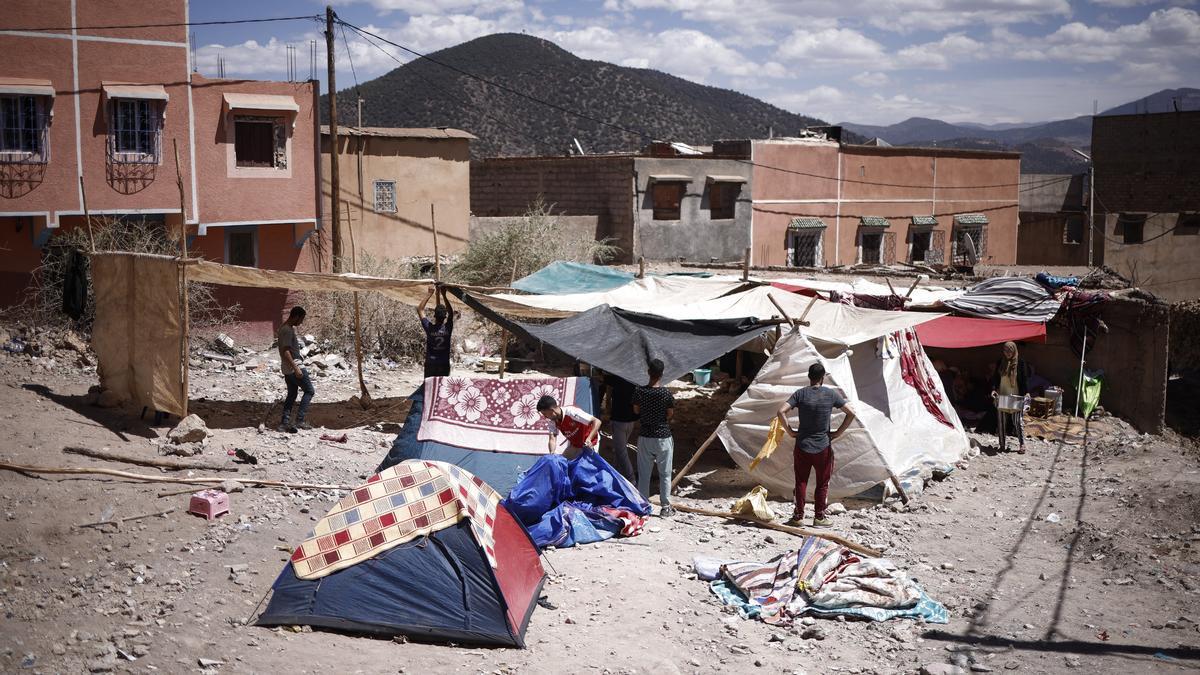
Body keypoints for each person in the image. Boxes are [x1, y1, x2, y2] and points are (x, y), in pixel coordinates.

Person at [776, 362, 855, 527]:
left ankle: (798, 517)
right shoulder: (831, 394)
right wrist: (838, 433)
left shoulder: (800, 394)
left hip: (802, 445)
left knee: (801, 481)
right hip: (823, 447)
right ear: (823, 377)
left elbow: (781, 411)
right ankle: (819, 517)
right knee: (822, 483)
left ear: (809, 377)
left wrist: (790, 432)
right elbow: (851, 412)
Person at [633, 359, 675, 517]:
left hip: (645, 436)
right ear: (662, 374)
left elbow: (636, 410)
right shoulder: (666, 393)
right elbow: (670, 413)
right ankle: (665, 507)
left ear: (648, 372)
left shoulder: (639, 391)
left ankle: (644, 506)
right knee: (665, 473)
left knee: (644, 474)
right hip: (663, 436)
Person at [278, 306, 314, 433]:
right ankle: (300, 420)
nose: (301, 322)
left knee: (292, 394)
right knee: (309, 391)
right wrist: (296, 368)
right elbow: (286, 351)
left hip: (286, 368)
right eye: (301, 319)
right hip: (294, 366)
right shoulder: (287, 330)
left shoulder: (284, 328)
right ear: (296, 316)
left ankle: (284, 423)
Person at [990, 341, 1031, 454]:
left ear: (1014, 351)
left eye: (1009, 351)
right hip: (1002, 395)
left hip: (1016, 396)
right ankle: (1002, 445)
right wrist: (993, 389)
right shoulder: (1001, 363)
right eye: (1005, 350)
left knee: (1017, 421)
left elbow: (1024, 380)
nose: (1007, 353)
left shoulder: (1020, 363)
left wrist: (1026, 393)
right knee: (1001, 422)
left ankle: (1022, 444)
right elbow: (995, 378)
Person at [537, 395, 601, 460]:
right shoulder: (552, 421)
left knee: (587, 467)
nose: (545, 417)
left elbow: (597, 421)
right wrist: (552, 453)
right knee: (562, 462)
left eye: (545, 414)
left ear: (552, 411)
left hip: (591, 443)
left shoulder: (572, 412)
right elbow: (552, 438)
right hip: (575, 445)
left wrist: (589, 439)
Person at [605, 372, 638, 480]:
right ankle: (614, 473)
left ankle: (631, 478)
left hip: (619, 420)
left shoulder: (615, 378)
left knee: (621, 451)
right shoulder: (635, 379)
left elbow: (603, 379)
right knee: (620, 449)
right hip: (631, 421)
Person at [417, 285, 454, 378]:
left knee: (429, 389)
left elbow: (420, 309)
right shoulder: (448, 328)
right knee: (442, 389)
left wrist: (429, 293)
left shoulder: (429, 328)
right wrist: (444, 295)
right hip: (444, 364)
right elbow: (451, 313)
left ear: (434, 316)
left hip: (431, 363)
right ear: (445, 317)